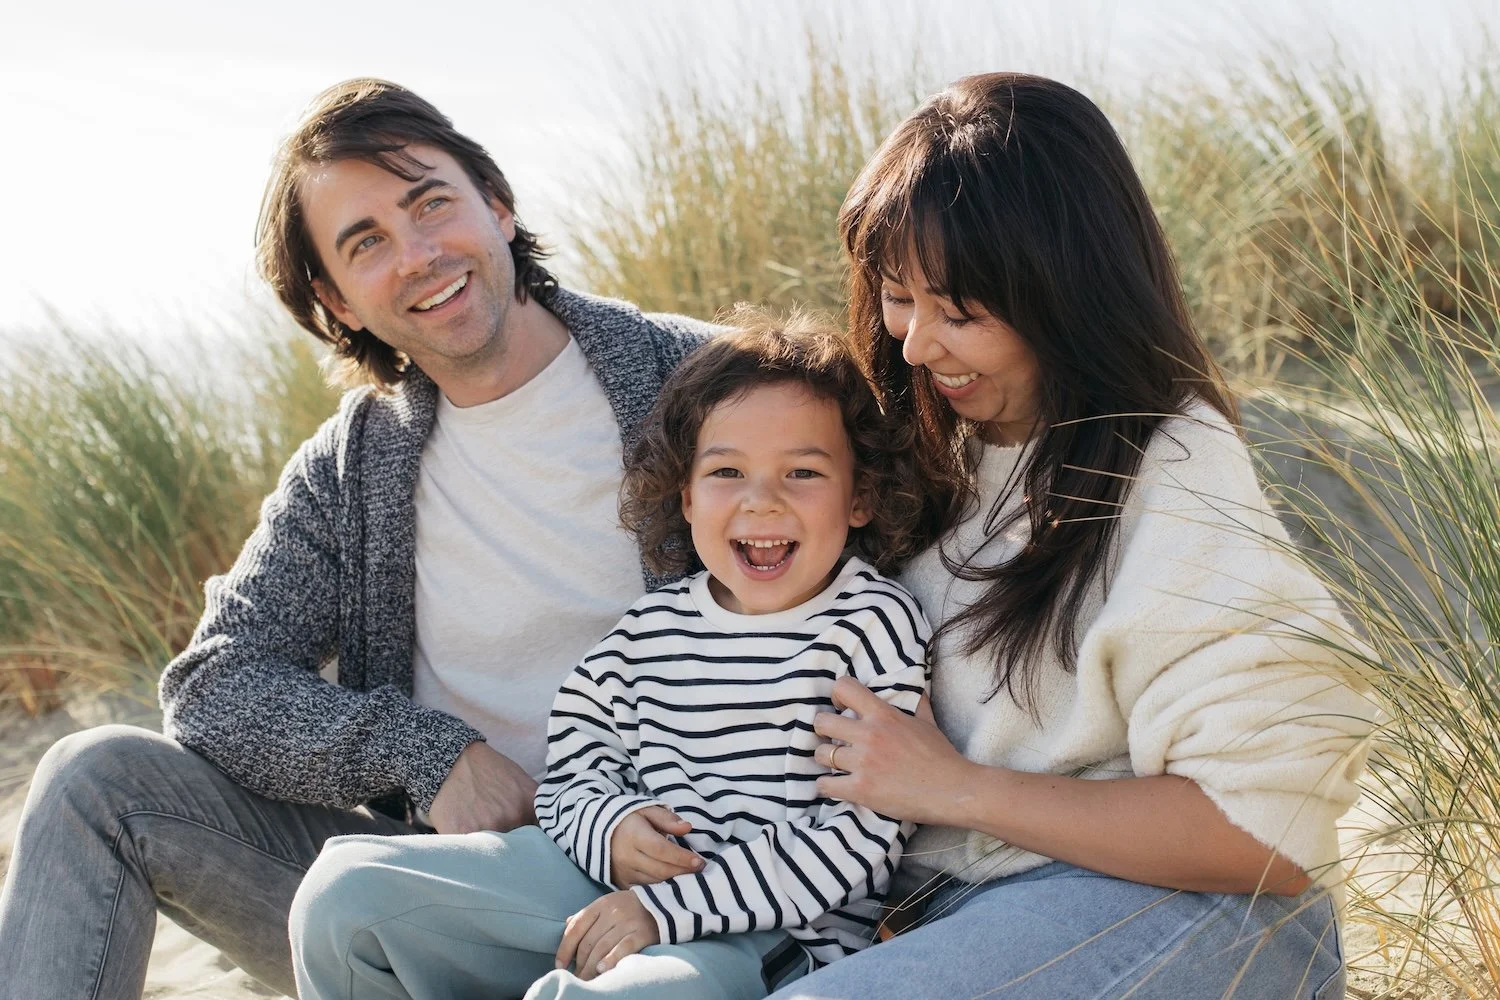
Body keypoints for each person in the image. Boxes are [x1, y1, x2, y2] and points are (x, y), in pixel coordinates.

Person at [0, 78, 722, 1000]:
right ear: (334, 299)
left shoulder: (701, 381)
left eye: (431, 204)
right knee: (93, 779)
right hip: (430, 897)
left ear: (497, 206)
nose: (419, 254)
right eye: (366, 242)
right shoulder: (352, 467)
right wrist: (428, 755)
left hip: (679, 884)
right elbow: (215, 686)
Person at [765, 73, 1378, 999]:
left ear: (1064, 290)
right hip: (958, 907)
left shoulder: (1171, 462)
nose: (916, 345)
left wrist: (950, 789)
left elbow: (1265, 834)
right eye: (896, 296)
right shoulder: (921, 443)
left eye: (961, 312)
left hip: (1190, 907)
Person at [289, 315, 938, 999]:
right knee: (345, 899)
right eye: (726, 471)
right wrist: (613, 829)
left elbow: (859, 842)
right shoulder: (646, 631)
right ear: (686, 495)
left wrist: (667, 911)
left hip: (769, 937)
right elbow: (571, 777)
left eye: (802, 471)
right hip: (606, 884)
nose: (761, 500)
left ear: (860, 495)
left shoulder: (872, 625)